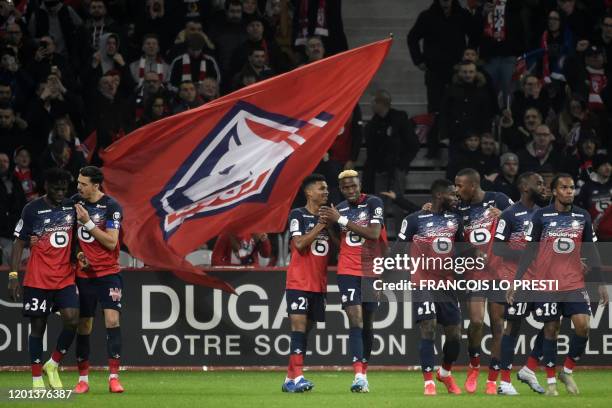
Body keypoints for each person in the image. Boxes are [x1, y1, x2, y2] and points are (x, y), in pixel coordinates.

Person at [508, 173, 609, 395]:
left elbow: (592, 250)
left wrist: (601, 283)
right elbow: (529, 250)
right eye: (564, 188)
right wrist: (515, 281)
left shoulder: (582, 216)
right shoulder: (541, 216)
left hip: (574, 283)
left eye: (571, 187)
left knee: (583, 326)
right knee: (551, 330)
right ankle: (551, 382)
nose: (569, 191)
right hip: (547, 284)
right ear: (554, 191)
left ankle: (568, 371)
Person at [8, 168, 78, 390]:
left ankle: (53, 363)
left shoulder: (71, 206)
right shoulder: (32, 209)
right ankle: (37, 377)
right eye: (56, 189)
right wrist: (13, 275)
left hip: (65, 276)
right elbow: (19, 242)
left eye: (63, 189)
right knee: (38, 327)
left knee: (72, 319)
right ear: (46, 187)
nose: (60, 193)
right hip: (38, 278)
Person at [319, 170, 387, 393]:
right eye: (346, 187)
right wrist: (331, 227)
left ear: (360, 184)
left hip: (370, 270)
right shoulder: (340, 208)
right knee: (355, 319)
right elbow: (343, 240)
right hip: (347, 270)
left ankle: (364, 371)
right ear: (341, 189)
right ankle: (358, 375)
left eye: (353, 186)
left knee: (367, 323)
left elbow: (374, 234)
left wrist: (340, 219)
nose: (350, 190)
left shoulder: (374, 203)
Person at [397, 179, 463, 395]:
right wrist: (380, 277)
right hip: (422, 281)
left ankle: (444, 373)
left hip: (447, 283)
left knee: (454, 336)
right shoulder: (414, 220)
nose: (456, 198)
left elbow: (463, 247)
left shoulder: (456, 218)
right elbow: (396, 249)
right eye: (452, 194)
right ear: (439, 196)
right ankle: (428, 383)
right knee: (429, 325)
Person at [454, 168, 512, 394]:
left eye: (460, 186)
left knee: (498, 325)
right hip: (474, 274)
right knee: (476, 322)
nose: (457, 190)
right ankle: (474, 365)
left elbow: (522, 221)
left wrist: (506, 216)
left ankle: (492, 378)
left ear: (473, 185)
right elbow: (451, 238)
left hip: (498, 272)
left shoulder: (498, 199)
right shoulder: (459, 208)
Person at [493, 172, 548, 395]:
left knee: (553, 321)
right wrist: (526, 253)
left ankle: (529, 368)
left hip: (542, 279)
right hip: (517, 279)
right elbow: (497, 247)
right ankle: (505, 382)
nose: (544, 187)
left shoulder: (545, 213)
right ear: (525, 187)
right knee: (513, 327)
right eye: (539, 183)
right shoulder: (509, 214)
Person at [71, 166, 124, 393]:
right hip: (84, 275)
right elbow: (70, 237)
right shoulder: (73, 203)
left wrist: (89, 223)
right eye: (78, 182)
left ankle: (114, 377)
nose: (79, 187)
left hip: (109, 273)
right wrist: (78, 254)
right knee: (84, 325)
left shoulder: (111, 207)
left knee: (112, 321)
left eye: (83, 183)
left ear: (96, 185)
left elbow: (112, 242)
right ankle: (83, 379)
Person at [282, 173, 334, 392]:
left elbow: (340, 247)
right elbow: (300, 244)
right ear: (309, 192)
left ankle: (289, 379)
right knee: (299, 328)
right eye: (321, 188)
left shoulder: (328, 219)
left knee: (305, 333)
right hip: (298, 282)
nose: (326, 192)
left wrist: (332, 224)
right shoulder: (298, 215)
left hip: (319, 284)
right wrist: (320, 226)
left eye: (326, 188)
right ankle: (299, 377)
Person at [407, 0, 478, 113]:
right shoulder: (427, 16)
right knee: (435, 108)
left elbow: (475, 35)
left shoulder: (463, 15)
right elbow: (412, 38)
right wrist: (418, 60)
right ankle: (436, 130)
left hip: (457, 68)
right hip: (434, 69)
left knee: (459, 106)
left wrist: (468, 58)